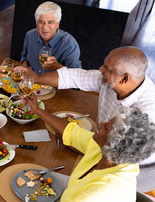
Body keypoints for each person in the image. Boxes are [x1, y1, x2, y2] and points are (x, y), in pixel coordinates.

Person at [0, 96, 155, 202]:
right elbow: (71, 132)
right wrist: (36, 109)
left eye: (106, 127)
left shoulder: (106, 190)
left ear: (113, 144)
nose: (102, 123)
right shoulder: (108, 153)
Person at [22, 46, 155, 193]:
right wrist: (36, 78)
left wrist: (81, 145)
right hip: (102, 144)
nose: (100, 70)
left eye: (107, 68)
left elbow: (122, 159)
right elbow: (76, 77)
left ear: (124, 78)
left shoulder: (147, 114)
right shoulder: (111, 79)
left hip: (132, 170)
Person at [20, 1, 81, 73]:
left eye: (50, 22)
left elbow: (76, 75)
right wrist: (25, 69)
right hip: (31, 82)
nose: (45, 27)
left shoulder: (69, 44)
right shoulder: (30, 35)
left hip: (54, 84)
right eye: (41, 22)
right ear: (36, 23)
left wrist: (57, 66)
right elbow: (24, 56)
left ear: (58, 24)